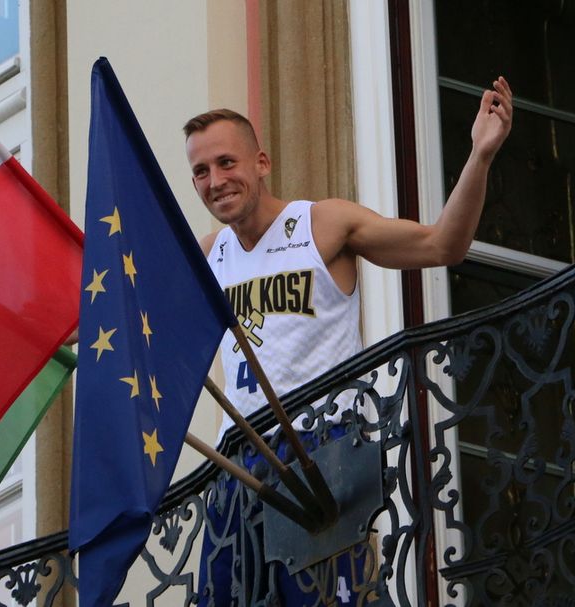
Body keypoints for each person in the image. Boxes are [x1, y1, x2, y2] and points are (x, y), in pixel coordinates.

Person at [185, 77, 513, 605]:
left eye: (227, 162)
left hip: (319, 446)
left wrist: (480, 155)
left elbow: (442, 245)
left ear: (261, 163)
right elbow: (130, 319)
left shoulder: (321, 224)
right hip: (239, 464)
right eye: (201, 171)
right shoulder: (207, 254)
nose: (216, 180)